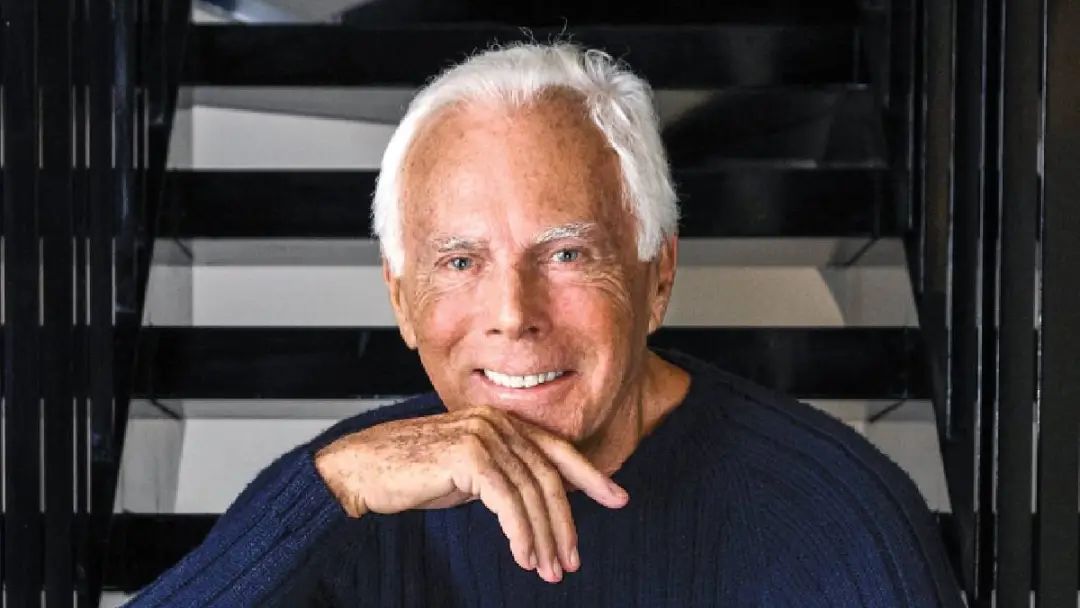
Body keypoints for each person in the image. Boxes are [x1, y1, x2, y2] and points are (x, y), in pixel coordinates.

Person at [126, 42, 964, 607]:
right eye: (461, 261)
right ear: (400, 299)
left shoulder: (834, 514)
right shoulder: (344, 498)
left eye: (566, 253)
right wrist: (327, 491)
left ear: (658, 275)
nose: (513, 316)